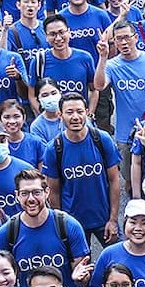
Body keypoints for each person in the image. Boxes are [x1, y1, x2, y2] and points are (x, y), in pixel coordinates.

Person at [0, 168, 94, 287]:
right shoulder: (7, 233)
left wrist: (80, 279)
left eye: (36, 192)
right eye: (24, 193)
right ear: (17, 196)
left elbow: (82, 279)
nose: (31, 199)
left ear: (47, 192)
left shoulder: (68, 226)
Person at [43, 92, 123, 247]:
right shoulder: (54, 148)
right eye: (69, 112)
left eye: (79, 112)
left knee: (118, 265)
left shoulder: (102, 139)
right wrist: (61, 226)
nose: (75, 117)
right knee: (80, 269)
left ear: (87, 112)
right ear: (60, 115)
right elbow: (53, 191)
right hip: (73, 224)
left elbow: (114, 180)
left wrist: (113, 219)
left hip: (104, 219)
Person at [95, 19, 145, 150]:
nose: (123, 42)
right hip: (125, 134)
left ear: (136, 38)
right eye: (119, 39)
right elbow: (99, 86)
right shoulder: (112, 65)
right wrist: (103, 57)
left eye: (126, 37)